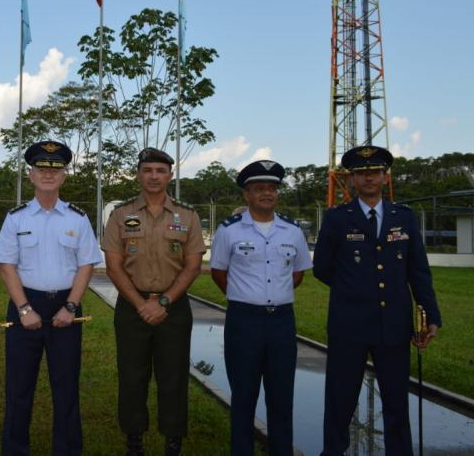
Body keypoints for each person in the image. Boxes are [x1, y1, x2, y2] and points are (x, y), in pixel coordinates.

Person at [314, 145, 441, 456]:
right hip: (349, 324)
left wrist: (431, 316)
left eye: (375, 173)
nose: (369, 178)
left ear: (385, 177)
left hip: (394, 325)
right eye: (362, 173)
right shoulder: (337, 219)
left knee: (397, 399)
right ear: (353, 179)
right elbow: (322, 268)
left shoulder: (405, 218)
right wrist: (355, 289)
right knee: (340, 399)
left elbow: (419, 272)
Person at [0, 140, 102, 456]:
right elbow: (6, 266)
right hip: (24, 305)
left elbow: (86, 265)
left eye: (55, 169)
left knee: (66, 388)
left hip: (66, 309)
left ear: (64, 175)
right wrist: (24, 308)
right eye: (42, 168)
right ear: (31, 174)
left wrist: (71, 306)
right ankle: (15, 450)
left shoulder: (77, 219)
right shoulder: (16, 217)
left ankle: (67, 450)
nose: (48, 174)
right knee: (18, 389)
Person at [102, 147, 206, 456]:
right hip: (131, 307)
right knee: (132, 376)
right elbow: (113, 266)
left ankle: (173, 440)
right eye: (147, 170)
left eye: (160, 171)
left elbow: (193, 266)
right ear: (138, 174)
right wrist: (140, 304)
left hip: (173, 308)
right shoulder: (121, 214)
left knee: (173, 377)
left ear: (170, 176)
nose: (153, 176)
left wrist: (163, 302)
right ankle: (134, 439)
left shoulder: (187, 215)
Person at [209, 160, 312, 456]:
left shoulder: (292, 231)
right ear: (247, 195)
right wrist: (246, 295)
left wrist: (273, 294)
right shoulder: (229, 231)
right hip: (244, 322)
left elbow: (297, 273)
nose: (266, 193)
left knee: (281, 398)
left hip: (281, 322)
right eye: (258, 189)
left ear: (277, 193)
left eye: (271, 188)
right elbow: (218, 271)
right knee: (243, 397)